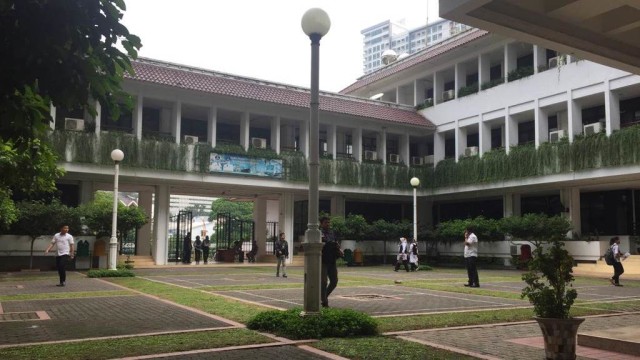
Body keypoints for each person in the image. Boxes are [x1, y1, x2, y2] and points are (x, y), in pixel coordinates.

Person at [321, 216, 342, 308]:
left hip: (332, 260)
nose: (328, 224)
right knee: (324, 282)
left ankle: (323, 297)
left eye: (329, 222)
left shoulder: (332, 233)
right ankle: (325, 302)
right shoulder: (319, 233)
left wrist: (339, 250)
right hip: (323, 260)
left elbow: (336, 243)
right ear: (321, 224)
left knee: (334, 281)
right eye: (326, 222)